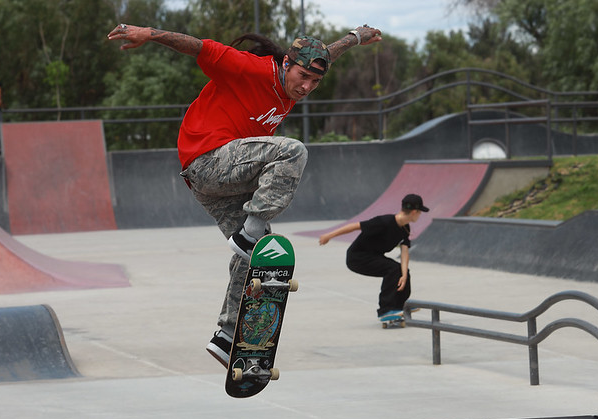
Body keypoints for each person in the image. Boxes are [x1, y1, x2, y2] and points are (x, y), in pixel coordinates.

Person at [107, 23, 382, 367]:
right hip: (208, 158)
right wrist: (151, 34)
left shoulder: (302, 75)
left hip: (217, 184)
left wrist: (355, 37)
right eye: (302, 78)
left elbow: (326, 54)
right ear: (285, 64)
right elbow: (199, 47)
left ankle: (227, 336)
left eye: (315, 83)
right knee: (292, 152)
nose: (306, 87)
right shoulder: (249, 68)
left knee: (262, 258)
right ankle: (249, 234)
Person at [318, 194, 430, 320]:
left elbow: (405, 252)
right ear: (414, 212)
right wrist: (329, 235)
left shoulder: (405, 228)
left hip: (374, 256)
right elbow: (355, 226)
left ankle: (400, 304)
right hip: (357, 257)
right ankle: (385, 310)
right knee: (392, 269)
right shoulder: (384, 222)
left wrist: (404, 275)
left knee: (402, 271)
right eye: (420, 212)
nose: (420, 215)